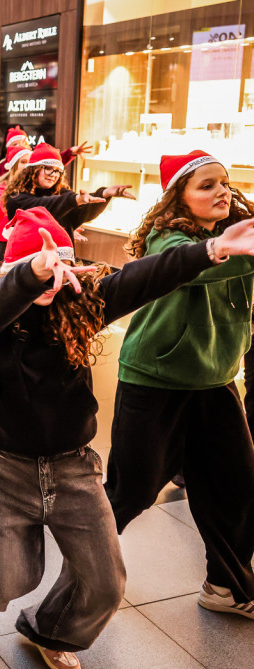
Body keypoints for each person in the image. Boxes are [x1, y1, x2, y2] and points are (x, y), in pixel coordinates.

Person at [0, 205, 254, 669]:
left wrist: (212, 250)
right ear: (12, 272)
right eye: (36, 270)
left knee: (105, 583)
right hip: (2, 469)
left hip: (74, 469)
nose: (52, 281)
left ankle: (51, 630)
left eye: (59, 268)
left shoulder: (82, 306)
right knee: (4, 579)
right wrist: (32, 273)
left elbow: (144, 277)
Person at [106, 151, 254, 620]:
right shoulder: (168, 240)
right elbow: (203, 266)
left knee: (234, 487)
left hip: (215, 380)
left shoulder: (240, 235)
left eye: (224, 183)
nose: (221, 192)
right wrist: (237, 250)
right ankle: (82, 574)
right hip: (155, 380)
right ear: (179, 197)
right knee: (132, 490)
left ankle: (225, 587)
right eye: (206, 185)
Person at [4, 143, 133, 245]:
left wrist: (104, 193)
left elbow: (81, 213)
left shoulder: (63, 194)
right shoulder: (17, 198)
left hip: (64, 265)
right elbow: (42, 208)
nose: (53, 175)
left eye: (57, 171)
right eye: (48, 169)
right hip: (31, 266)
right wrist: (74, 200)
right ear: (33, 169)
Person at [0, 147, 31, 268]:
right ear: (13, 165)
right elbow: (9, 211)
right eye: (23, 162)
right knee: (0, 281)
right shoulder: (1, 187)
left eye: (30, 162)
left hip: (25, 240)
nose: (27, 165)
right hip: (4, 241)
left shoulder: (31, 186)